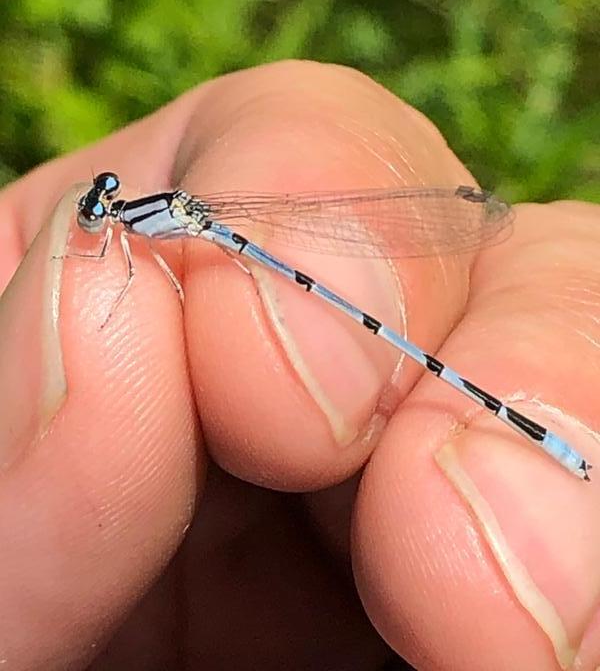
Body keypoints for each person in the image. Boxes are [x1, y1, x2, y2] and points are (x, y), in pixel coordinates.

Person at [0, 61, 597, 671]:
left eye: (103, 207)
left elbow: (124, 265)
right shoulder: (130, 229)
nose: (102, 215)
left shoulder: (138, 228)